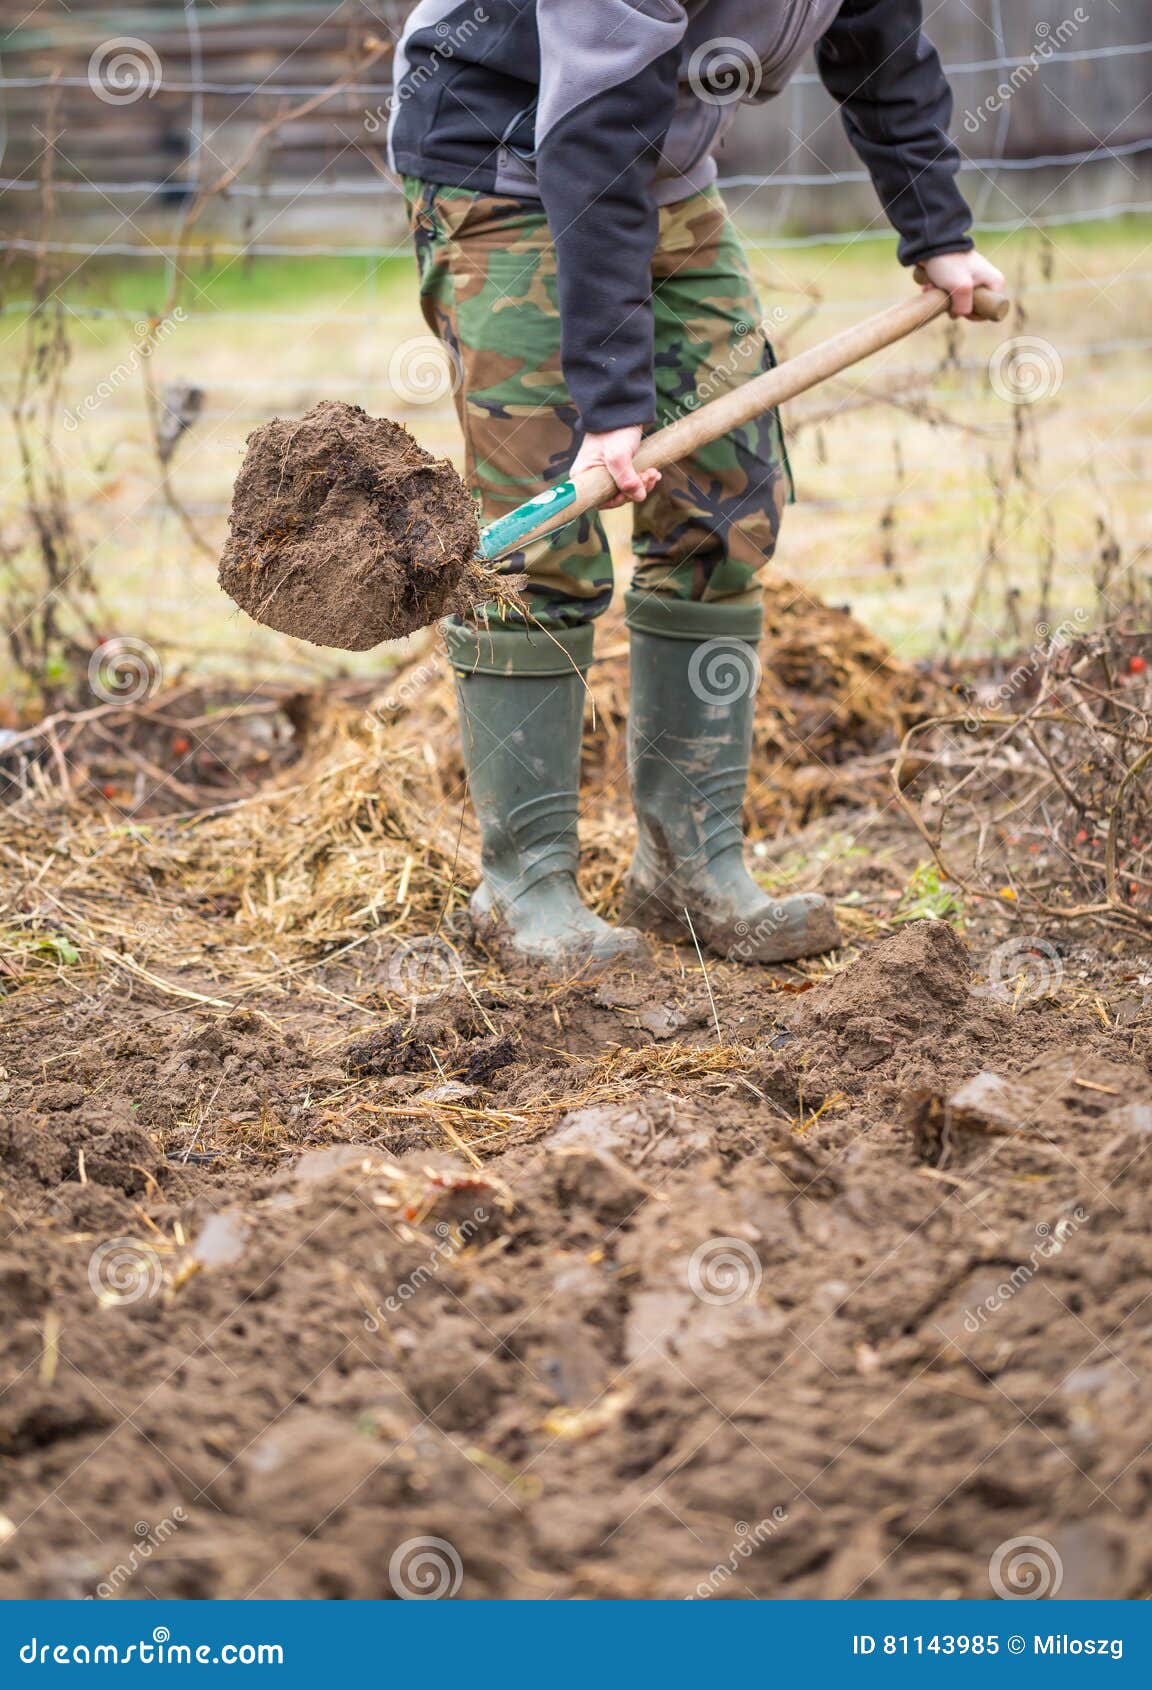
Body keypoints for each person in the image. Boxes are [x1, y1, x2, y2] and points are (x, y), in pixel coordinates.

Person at [388, 0, 1005, 972]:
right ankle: (524, 889)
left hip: (661, 167)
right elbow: (590, 120)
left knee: (730, 499)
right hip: (504, 153)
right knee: (542, 522)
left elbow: (879, 38)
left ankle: (687, 872)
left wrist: (937, 228)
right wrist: (610, 398)